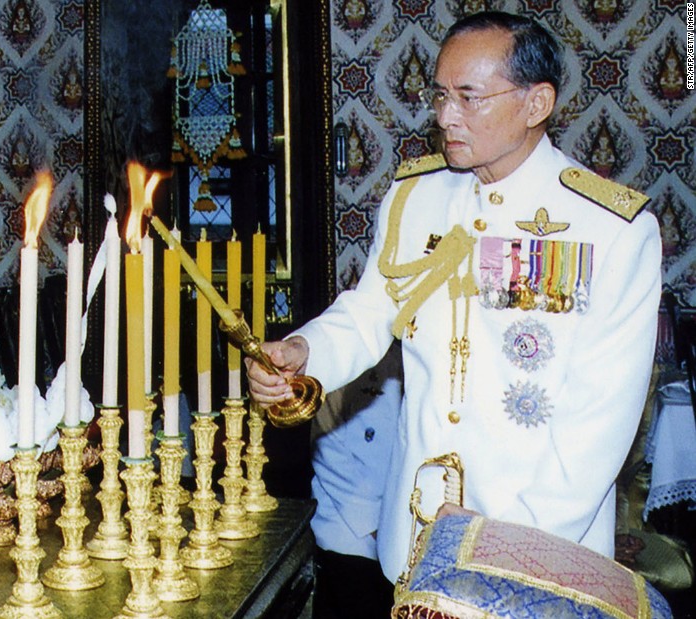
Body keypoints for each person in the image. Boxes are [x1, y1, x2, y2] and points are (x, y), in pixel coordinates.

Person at [247, 11, 661, 602]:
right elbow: (370, 309)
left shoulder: (611, 230)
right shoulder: (414, 198)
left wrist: (504, 559)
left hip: (540, 559)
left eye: (469, 97)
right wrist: (303, 351)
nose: (446, 117)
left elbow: (597, 423)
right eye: (439, 96)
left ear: (536, 103)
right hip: (415, 541)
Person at [309, 342, 402, 619]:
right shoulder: (344, 357)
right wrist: (374, 522)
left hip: (402, 536)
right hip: (350, 536)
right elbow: (327, 448)